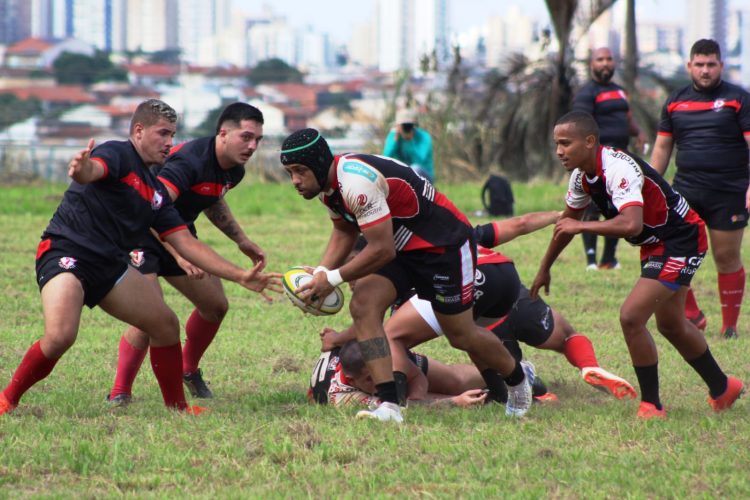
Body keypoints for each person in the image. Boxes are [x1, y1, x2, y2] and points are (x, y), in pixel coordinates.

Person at [0, 99, 281, 416]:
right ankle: (8, 398)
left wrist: (240, 275)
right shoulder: (117, 153)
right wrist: (82, 170)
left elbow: (185, 241)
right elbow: (95, 169)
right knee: (61, 336)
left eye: (172, 134)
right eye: (162, 133)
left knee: (164, 324)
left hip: (110, 264)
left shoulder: (155, 192)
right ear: (138, 131)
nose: (169, 142)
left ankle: (178, 408)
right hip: (68, 252)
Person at [280, 128, 533, 423]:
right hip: (402, 247)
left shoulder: (356, 183)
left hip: (443, 245)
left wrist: (332, 279)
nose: (295, 180)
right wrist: (321, 272)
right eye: (289, 173)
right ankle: (389, 405)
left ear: (320, 162)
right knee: (363, 306)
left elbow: (381, 250)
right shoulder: (328, 188)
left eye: (300, 170)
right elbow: (344, 230)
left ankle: (517, 379)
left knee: (461, 335)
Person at [530, 110, 744, 419]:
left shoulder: (618, 168)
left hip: (680, 237)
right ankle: (723, 388)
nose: (559, 151)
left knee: (631, 317)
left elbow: (631, 223)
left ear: (590, 142)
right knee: (670, 324)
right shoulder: (581, 177)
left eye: (566, 143)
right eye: (556, 144)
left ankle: (652, 405)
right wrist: (543, 268)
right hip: (657, 242)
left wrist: (583, 227)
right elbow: (566, 225)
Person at [321, 218, 637, 402]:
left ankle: (391, 401)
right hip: (503, 283)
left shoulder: (397, 290)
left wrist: (338, 340)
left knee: (402, 342)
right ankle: (584, 366)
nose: (352, 283)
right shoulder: (445, 237)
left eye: (356, 274)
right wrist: (558, 215)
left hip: (470, 308)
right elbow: (518, 224)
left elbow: (373, 330)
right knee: (564, 336)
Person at [106, 102, 267, 405]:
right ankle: (119, 392)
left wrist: (241, 240)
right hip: (139, 233)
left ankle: (187, 369)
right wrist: (180, 255)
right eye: (246, 137)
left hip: (179, 235)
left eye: (258, 139)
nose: (252, 145)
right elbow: (152, 209)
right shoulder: (188, 162)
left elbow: (211, 197)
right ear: (223, 134)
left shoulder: (234, 170)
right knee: (150, 316)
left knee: (215, 305)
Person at [650, 39, 750, 339]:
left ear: (721, 65)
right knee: (673, 251)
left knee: (726, 256)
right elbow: (662, 149)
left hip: (728, 191)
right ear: (689, 66)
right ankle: (693, 314)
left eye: (711, 64)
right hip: (685, 190)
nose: (705, 71)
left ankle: (729, 326)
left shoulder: (738, 99)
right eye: (700, 64)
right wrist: (650, 187)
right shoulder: (674, 101)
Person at [572, 47, 648, 271]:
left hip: (621, 158)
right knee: (594, 207)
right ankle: (591, 260)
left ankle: (609, 259)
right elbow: (580, 125)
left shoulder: (619, 91)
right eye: (600, 59)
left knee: (617, 208)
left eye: (608, 58)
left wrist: (639, 133)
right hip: (599, 160)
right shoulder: (587, 94)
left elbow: (627, 117)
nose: (605, 63)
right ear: (591, 64)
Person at [309, 343, 488, 408]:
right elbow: (403, 407)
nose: (381, 378)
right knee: (402, 398)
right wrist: (455, 402)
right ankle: (481, 397)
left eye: (381, 369)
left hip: (379, 352)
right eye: (370, 378)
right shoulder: (344, 397)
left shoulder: (380, 352)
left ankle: (508, 370)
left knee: (456, 380)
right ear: (351, 379)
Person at [382, 108, 435, 183]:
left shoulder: (424, 137)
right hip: (403, 174)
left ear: (414, 125)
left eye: (409, 125)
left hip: (424, 175)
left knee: (414, 168)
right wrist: (394, 141)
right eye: (404, 125)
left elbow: (419, 160)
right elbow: (385, 158)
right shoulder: (394, 136)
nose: (407, 128)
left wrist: (410, 140)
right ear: (397, 126)